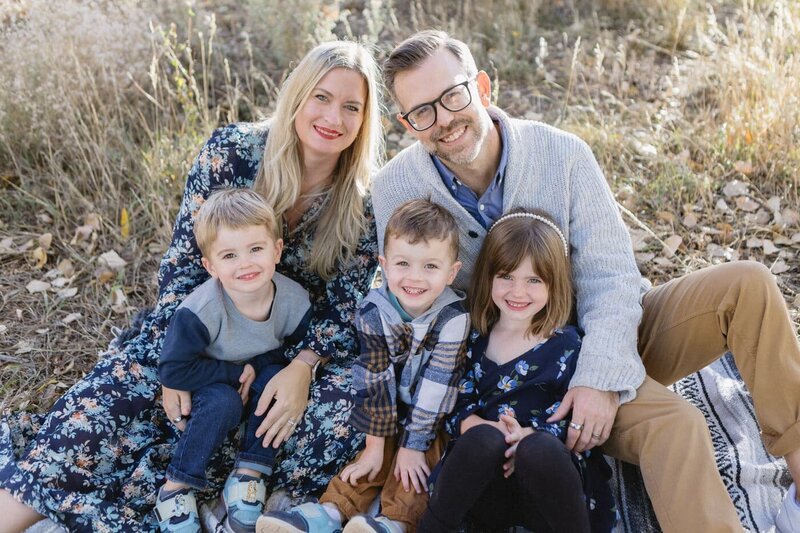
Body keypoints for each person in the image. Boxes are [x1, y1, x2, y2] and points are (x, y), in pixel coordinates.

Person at [371, 30, 800, 533]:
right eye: (422, 111)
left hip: (600, 338)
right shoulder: (395, 188)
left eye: (453, 95)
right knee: (675, 423)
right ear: (406, 124)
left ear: (482, 87)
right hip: (515, 375)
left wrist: (598, 378)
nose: (444, 119)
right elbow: (414, 304)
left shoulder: (563, 153)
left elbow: (612, 275)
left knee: (747, 283)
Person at [0, 40, 384, 532]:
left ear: (365, 119)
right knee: (102, 416)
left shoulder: (362, 203)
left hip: (282, 352)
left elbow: (345, 306)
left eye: (351, 106)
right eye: (322, 97)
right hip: (198, 333)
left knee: (345, 407)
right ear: (298, 96)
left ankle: (238, 483)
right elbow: (183, 269)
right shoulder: (234, 153)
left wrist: (303, 368)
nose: (333, 117)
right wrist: (177, 368)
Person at [259, 199, 469, 533]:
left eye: (431, 266)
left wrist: (412, 446)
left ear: (452, 272)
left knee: (415, 467)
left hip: (432, 418)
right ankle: (328, 513)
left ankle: (395, 522)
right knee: (367, 460)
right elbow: (375, 380)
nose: (415, 277)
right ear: (384, 265)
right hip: (388, 408)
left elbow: (436, 390)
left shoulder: (454, 318)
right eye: (403, 263)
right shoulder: (373, 310)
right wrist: (374, 447)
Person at [419, 209, 616, 533]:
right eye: (506, 277)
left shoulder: (566, 344)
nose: (518, 292)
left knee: (538, 451)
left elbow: (573, 416)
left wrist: (527, 436)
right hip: (488, 484)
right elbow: (454, 401)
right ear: (488, 277)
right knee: (483, 440)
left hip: (546, 488)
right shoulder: (474, 338)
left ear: (553, 284)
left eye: (533, 280)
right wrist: (478, 425)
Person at [154, 188, 313, 532]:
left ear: (277, 250)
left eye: (256, 249)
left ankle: (250, 473)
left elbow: (293, 347)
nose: (245, 264)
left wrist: (257, 367)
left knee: (276, 380)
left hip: (255, 375)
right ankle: (175, 487)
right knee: (222, 402)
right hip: (210, 381)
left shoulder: (294, 300)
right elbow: (173, 369)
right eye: (229, 255)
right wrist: (234, 372)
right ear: (210, 266)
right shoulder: (201, 311)